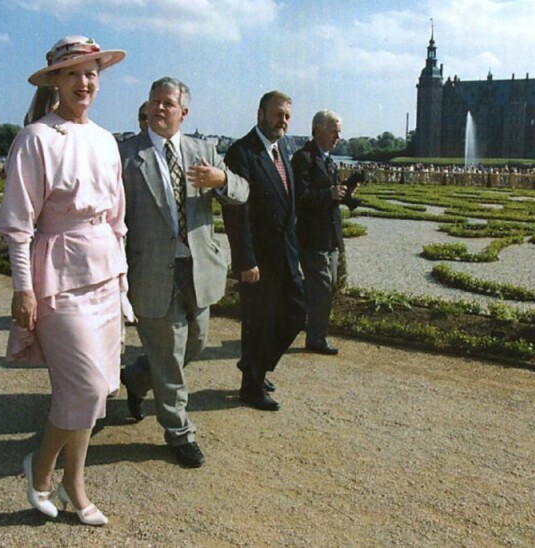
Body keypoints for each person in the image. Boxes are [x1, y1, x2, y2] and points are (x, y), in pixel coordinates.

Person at [0, 35, 126, 526]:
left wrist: (123, 285)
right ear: (55, 80)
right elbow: (17, 222)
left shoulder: (106, 140)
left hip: (105, 273)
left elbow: (118, 219)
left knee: (95, 391)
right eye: (73, 73)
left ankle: (74, 484)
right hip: (57, 275)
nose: (85, 82)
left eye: (92, 72)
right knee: (86, 388)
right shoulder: (36, 139)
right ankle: (42, 466)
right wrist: (23, 287)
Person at [119, 77, 248, 467]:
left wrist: (222, 180)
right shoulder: (126, 154)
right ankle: (178, 431)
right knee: (171, 356)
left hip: (198, 270)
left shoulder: (204, 151)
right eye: (154, 102)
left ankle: (138, 376)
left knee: (195, 344)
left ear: (184, 112)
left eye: (168, 104)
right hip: (152, 271)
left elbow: (244, 192)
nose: (159, 109)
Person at [222, 91, 306, 412]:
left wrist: (294, 254)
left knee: (296, 313)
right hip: (257, 258)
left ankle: (256, 368)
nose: (282, 121)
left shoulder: (282, 148)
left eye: (286, 116)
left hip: (285, 254)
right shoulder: (241, 152)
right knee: (258, 322)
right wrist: (245, 260)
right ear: (260, 114)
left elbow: (287, 205)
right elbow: (236, 212)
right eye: (277, 114)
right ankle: (251, 386)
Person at [292, 110, 360, 355]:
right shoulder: (303, 159)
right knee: (321, 289)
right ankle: (316, 338)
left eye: (339, 131)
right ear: (318, 130)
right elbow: (299, 198)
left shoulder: (327, 159)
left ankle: (309, 330)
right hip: (312, 237)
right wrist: (329, 194)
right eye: (334, 131)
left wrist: (348, 195)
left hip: (330, 236)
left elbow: (332, 196)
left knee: (326, 287)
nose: (338, 136)